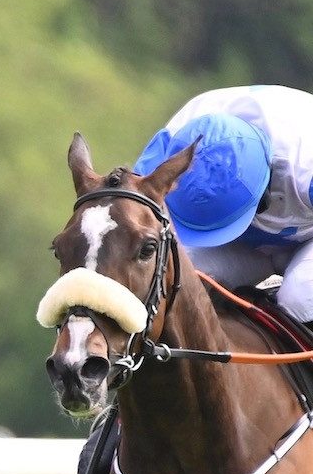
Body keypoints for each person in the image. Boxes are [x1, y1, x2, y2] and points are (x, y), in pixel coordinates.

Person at [133, 85, 313, 321]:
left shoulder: (304, 167)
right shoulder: (175, 140)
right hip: (244, 243)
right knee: (173, 277)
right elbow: (131, 214)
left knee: (297, 300)